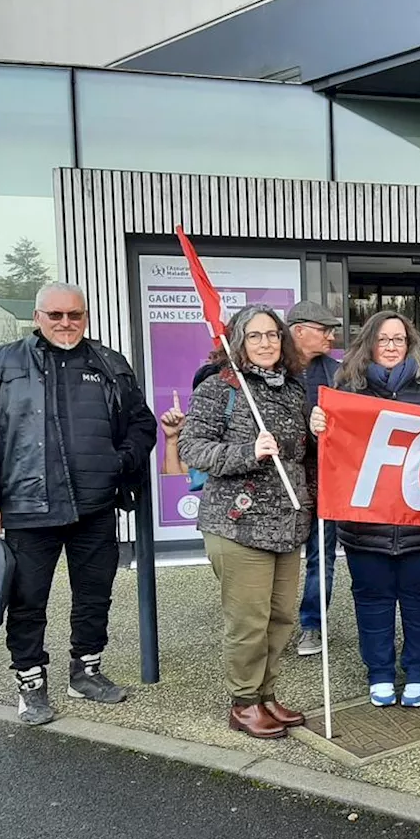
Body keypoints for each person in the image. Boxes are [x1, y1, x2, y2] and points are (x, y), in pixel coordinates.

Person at [0, 282, 157, 725]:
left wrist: (116, 462)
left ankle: (85, 670)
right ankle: (30, 682)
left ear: (85, 317)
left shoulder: (109, 364)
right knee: (27, 601)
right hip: (27, 508)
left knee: (94, 596)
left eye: (75, 315)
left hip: (95, 507)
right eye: (56, 315)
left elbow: (142, 425)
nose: (66, 323)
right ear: (37, 316)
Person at [308, 311, 420, 709]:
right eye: (383, 339)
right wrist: (318, 427)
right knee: (371, 600)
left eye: (399, 339)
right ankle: (378, 672)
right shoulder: (346, 389)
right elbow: (326, 456)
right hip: (366, 525)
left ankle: (419, 671)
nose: (391, 347)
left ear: (410, 345)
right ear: (369, 344)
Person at [177, 304, 313, 740]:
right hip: (237, 523)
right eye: (255, 336)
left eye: (272, 334)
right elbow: (193, 450)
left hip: (287, 524)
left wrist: (316, 430)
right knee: (248, 621)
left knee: (281, 618)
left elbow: (299, 454)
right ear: (238, 342)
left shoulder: (294, 388)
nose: (266, 343)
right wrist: (246, 452)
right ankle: (244, 702)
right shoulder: (220, 388)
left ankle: (266, 694)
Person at [286, 300, 342, 658]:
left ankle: (312, 625)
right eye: (324, 330)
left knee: (322, 557)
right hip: (282, 482)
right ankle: (267, 628)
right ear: (298, 331)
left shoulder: (339, 373)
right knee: (270, 560)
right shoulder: (271, 370)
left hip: (325, 481)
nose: (332, 336)